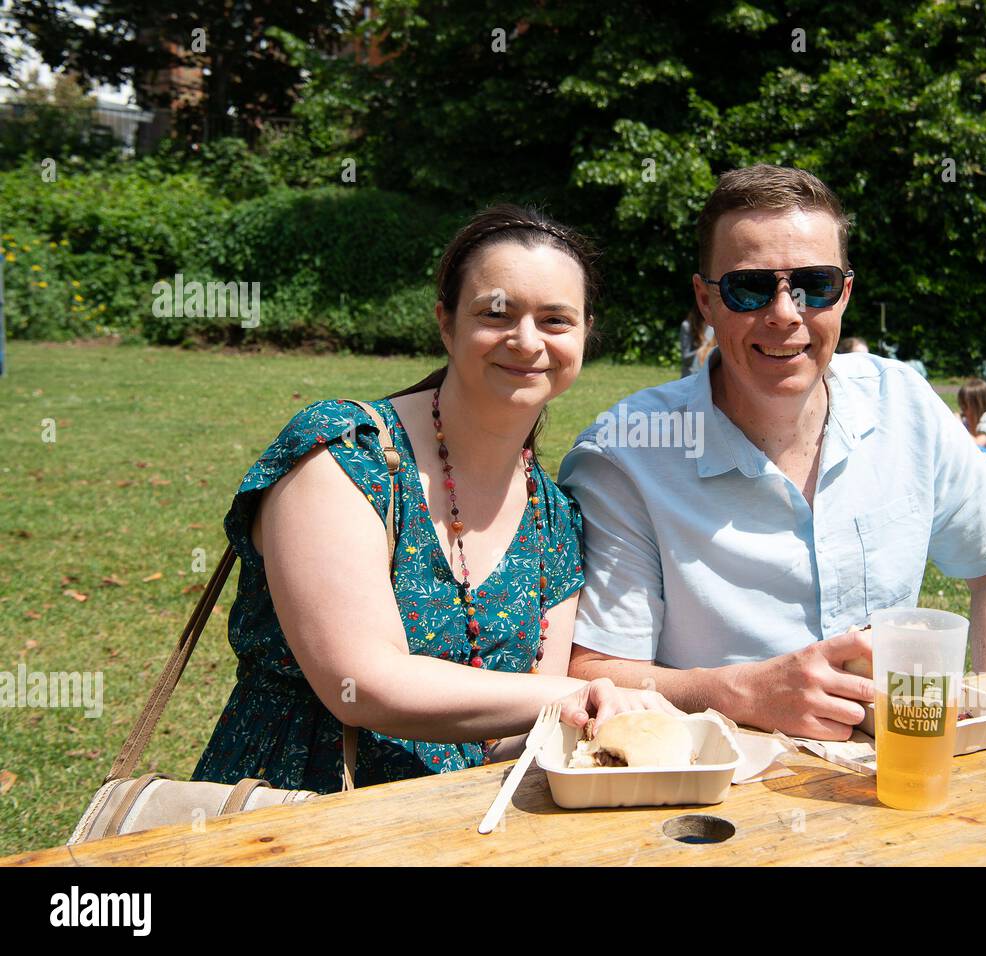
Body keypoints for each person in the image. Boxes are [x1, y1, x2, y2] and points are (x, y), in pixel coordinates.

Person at [193, 204, 680, 793]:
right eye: (496, 313)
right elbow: (360, 684)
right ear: (446, 323)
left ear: (583, 335)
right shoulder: (348, 453)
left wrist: (610, 723)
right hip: (291, 808)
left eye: (556, 320)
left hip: (453, 816)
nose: (527, 341)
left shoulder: (554, 518)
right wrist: (575, 692)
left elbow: (516, 727)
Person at [558, 165, 986, 742]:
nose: (786, 313)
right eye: (749, 287)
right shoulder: (629, 454)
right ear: (705, 301)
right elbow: (595, 673)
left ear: (844, 293)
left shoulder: (903, 406)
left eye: (814, 284)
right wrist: (742, 694)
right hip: (719, 790)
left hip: (896, 769)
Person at [680, 307, 716, 376]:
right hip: (691, 374)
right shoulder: (687, 326)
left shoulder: (713, 326)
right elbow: (685, 358)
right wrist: (702, 351)